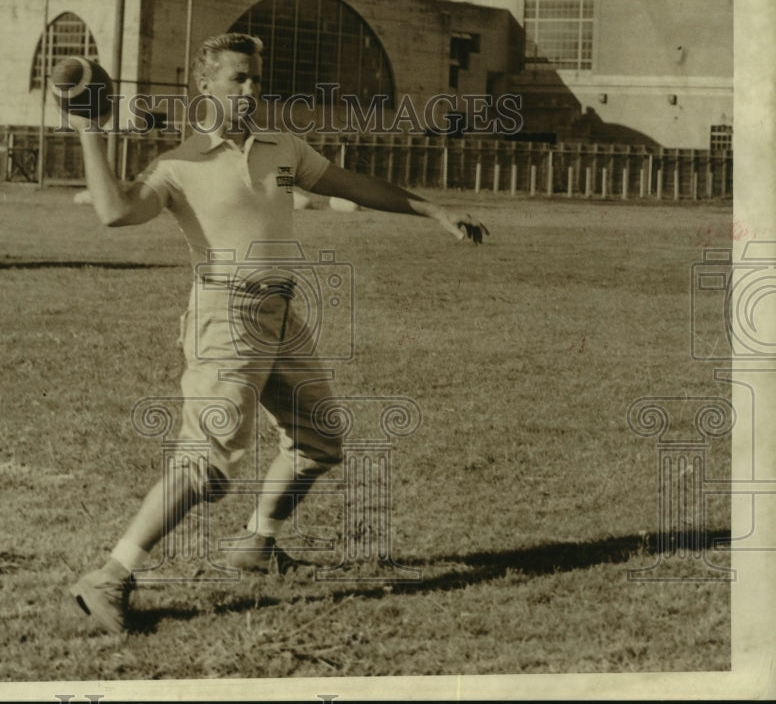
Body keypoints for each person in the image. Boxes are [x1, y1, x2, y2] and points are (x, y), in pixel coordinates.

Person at [61, 33, 488, 637]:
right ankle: (108, 578)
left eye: (257, 78)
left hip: (281, 316)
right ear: (204, 86)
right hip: (224, 317)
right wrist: (88, 127)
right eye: (238, 78)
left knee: (322, 441)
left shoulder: (281, 147)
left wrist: (435, 211)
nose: (252, 89)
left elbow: (348, 183)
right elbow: (114, 211)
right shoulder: (180, 164)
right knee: (208, 460)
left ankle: (256, 543)